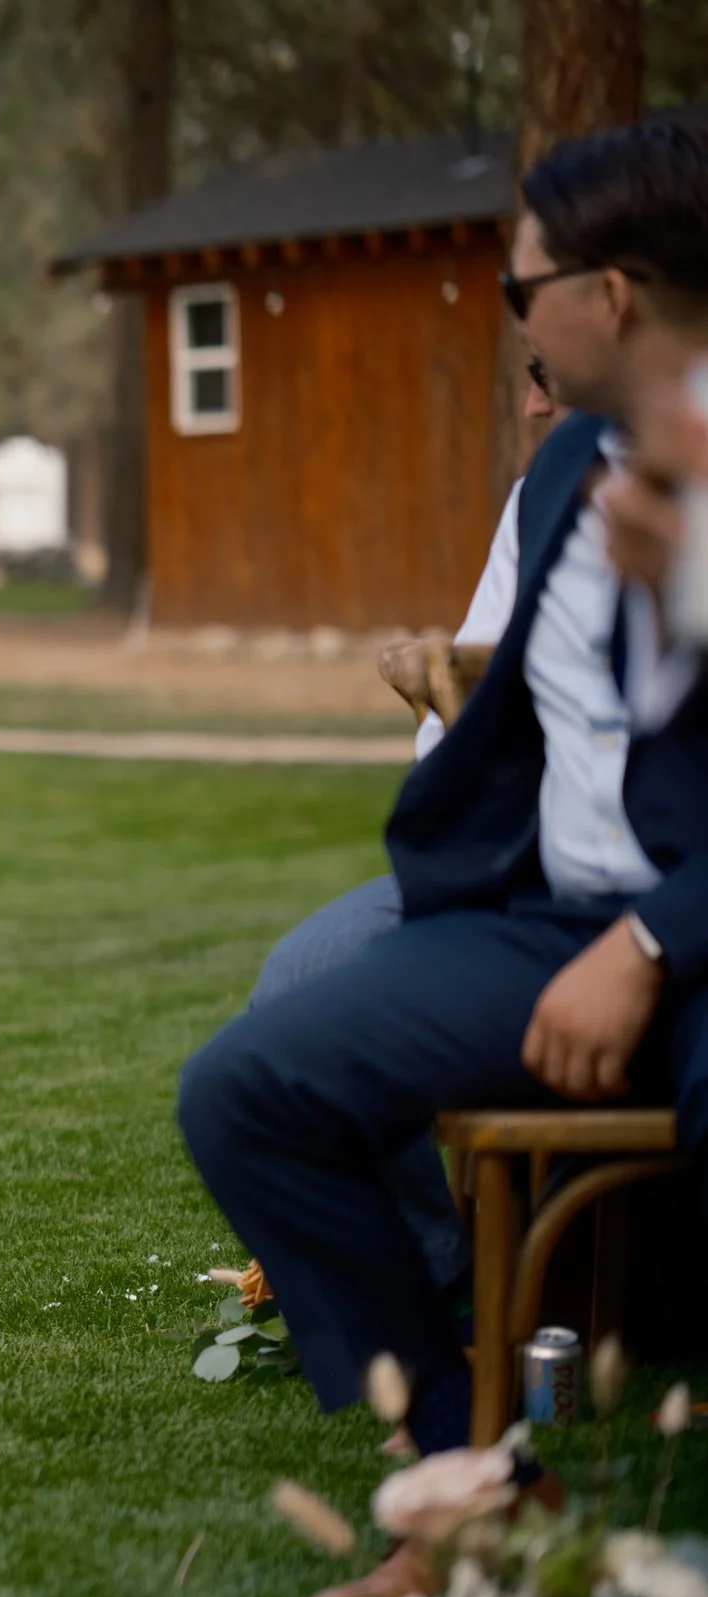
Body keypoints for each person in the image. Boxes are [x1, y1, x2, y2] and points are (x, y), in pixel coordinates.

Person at [177, 117, 708, 1597]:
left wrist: (652, 943)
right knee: (250, 1088)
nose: (513, 320)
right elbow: (522, 720)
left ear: (611, 294)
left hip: (684, 927)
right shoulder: (565, 473)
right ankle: (472, 1485)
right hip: (543, 917)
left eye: (521, 289)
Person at [243, 360, 568, 1308]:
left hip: (631, 886)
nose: (532, 402)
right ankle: (430, 1282)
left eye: (545, 373)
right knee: (301, 981)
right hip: (499, 863)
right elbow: (453, 719)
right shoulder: (536, 501)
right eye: (527, 374)